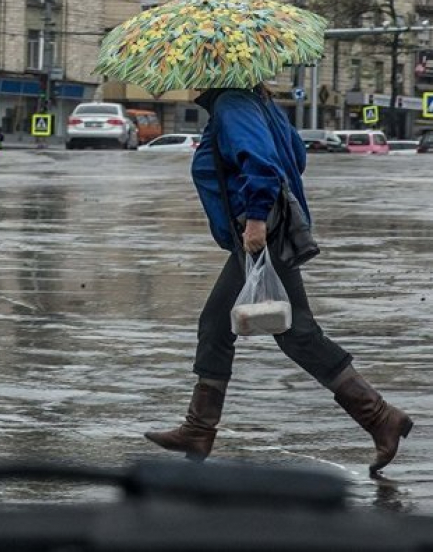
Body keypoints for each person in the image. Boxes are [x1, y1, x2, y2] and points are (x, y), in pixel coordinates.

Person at [144, 84, 413, 477]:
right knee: (239, 327)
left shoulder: (233, 104)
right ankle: (198, 430)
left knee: (287, 331)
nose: (189, 78)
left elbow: (264, 162)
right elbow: (296, 157)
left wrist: (255, 218)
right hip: (268, 231)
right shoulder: (256, 102)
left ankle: (380, 417)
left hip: (260, 233)